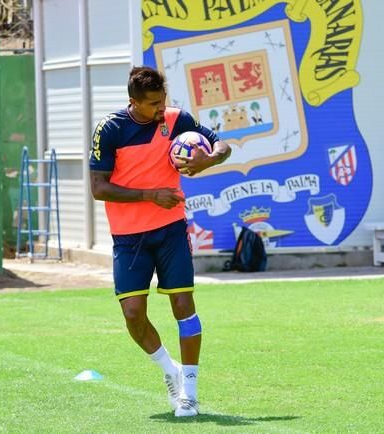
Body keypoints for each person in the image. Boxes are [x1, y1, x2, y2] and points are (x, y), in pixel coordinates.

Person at [89, 66, 231, 417]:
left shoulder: (176, 119)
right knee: (133, 315)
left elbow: (223, 145)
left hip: (170, 230)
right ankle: (171, 372)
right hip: (128, 237)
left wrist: (208, 159)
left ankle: (191, 393)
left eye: (162, 100)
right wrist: (151, 194)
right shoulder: (110, 129)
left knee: (184, 305)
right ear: (132, 102)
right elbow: (99, 188)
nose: (159, 108)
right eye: (152, 103)